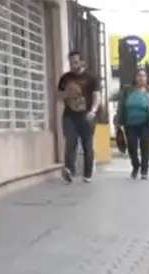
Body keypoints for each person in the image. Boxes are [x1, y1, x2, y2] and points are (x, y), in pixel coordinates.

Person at [56, 50, 100, 183]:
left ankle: (87, 173)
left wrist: (93, 111)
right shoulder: (65, 78)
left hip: (86, 115)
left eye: (75, 62)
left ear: (82, 62)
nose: (72, 65)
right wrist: (66, 93)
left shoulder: (91, 78)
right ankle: (69, 170)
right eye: (70, 62)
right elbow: (58, 97)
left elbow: (97, 96)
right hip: (69, 115)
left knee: (87, 145)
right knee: (70, 142)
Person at [114, 69, 149, 180]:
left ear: (146, 78)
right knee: (132, 147)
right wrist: (118, 122)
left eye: (143, 76)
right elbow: (121, 107)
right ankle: (135, 166)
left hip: (145, 123)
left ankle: (144, 170)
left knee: (145, 146)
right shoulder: (128, 91)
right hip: (130, 124)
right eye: (139, 75)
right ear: (135, 78)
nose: (141, 78)